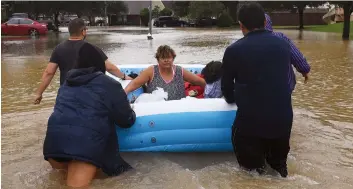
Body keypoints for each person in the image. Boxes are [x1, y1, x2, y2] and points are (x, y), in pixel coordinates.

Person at [43, 43, 136, 187]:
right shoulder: (110, 84)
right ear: (100, 63)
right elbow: (126, 120)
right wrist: (132, 110)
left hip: (53, 144)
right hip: (84, 146)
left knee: (59, 182)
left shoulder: (66, 83)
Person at [221, 2, 293, 177]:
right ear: (264, 21)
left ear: (241, 25)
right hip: (282, 122)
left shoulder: (233, 50)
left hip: (250, 125)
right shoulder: (283, 45)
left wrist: (235, 97)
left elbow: (227, 90)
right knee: (279, 172)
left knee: (251, 176)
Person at [33, 18, 132, 104]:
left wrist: (39, 93)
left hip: (66, 93)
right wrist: (124, 76)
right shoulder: (91, 48)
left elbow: (49, 72)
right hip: (87, 94)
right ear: (83, 31)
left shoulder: (58, 49)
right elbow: (109, 67)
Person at [124, 45, 206, 100]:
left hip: (179, 108)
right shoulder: (151, 71)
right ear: (158, 59)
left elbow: (198, 81)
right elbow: (135, 83)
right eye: (163, 58)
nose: (166, 60)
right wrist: (124, 92)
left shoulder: (180, 70)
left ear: (173, 59)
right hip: (157, 110)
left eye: (169, 57)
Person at [264, 13, 311, 92]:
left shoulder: (245, 43)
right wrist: (304, 70)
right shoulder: (281, 37)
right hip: (283, 88)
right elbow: (297, 57)